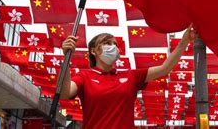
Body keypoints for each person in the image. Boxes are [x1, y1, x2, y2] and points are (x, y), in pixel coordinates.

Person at [59, 24, 195, 128]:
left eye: (115, 44)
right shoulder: (84, 76)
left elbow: (164, 68)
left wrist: (184, 41)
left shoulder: (131, 76)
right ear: (93, 51)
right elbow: (65, 93)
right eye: (107, 43)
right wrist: (66, 61)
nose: (113, 47)